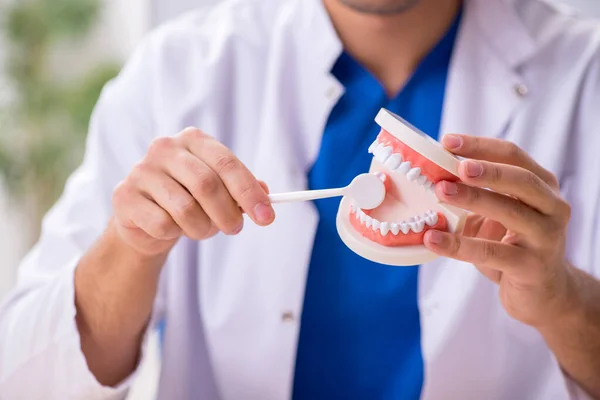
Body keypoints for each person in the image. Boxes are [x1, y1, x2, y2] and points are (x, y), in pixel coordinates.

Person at [1, 0, 600, 398]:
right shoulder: (177, 75)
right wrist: (130, 246)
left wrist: (564, 301)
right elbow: (26, 378)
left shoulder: (585, 76)